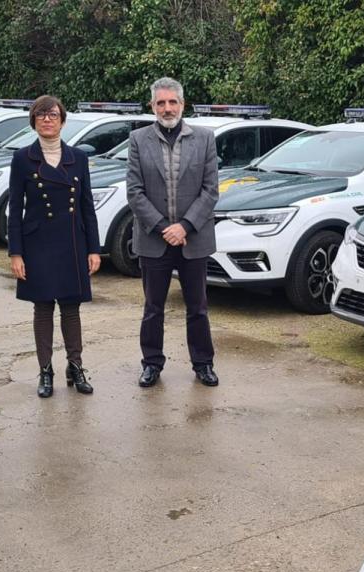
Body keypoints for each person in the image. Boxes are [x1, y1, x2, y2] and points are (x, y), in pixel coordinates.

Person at [126, 77, 219, 388]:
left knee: (198, 308)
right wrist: (165, 228)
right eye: (161, 103)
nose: (167, 108)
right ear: (152, 106)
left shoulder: (205, 139)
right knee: (153, 308)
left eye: (172, 102)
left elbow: (210, 191)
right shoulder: (139, 140)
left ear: (183, 104)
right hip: (155, 241)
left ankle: (203, 364)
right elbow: (135, 192)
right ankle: (151, 363)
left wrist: (185, 226)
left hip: (193, 239)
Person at [7, 95, 100, 398]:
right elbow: (15, 209)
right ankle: (45, 370)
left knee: (71, 309)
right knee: (43, 308)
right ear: (33, 121)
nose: (48, 119)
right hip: (38, 243)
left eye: (53, 115)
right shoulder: (22, 158)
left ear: (62, 120)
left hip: (73, 241)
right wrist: (16, 253)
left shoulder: (78, 158)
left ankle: (75, 366)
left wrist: (94, 249)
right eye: (41, 115)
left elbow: (87, 207)